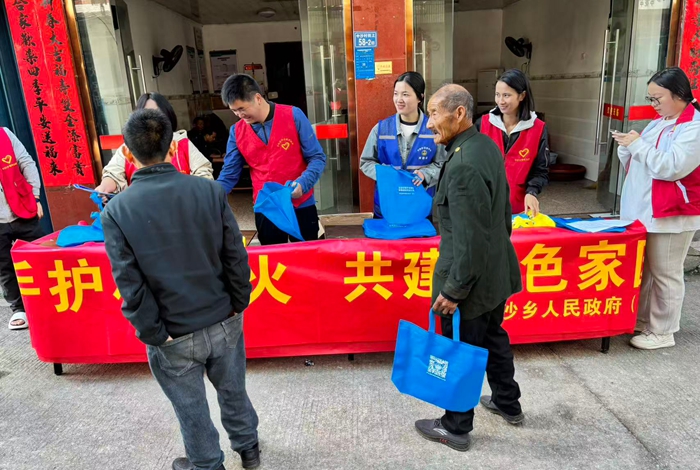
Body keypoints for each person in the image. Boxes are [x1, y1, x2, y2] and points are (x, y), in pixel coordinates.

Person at [102, 109, 260, 470]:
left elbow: (130, 284)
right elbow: (235, 254)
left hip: (173, 332)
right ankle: (248, 448)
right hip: (223, 317)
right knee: (234, 389)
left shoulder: (118, 211)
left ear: (127, 153)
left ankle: (207, 463)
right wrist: (238, 303)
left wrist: (155, 333)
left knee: (190, 408)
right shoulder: (208, 191)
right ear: (174, 147)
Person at [413, 84, 524, 451]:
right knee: (493, 338)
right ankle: (508, 402)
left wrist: (454, 290)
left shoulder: (463, 164)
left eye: (434, 113)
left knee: (460, 350)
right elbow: (501, 216)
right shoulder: (484, 145)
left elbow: (469, 238)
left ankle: (456, 426)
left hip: (470, 280)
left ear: (458, 113)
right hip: (494, 271)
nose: (430, 123)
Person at [614, 66, 700, 350]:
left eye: (657, 98)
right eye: (650, 98)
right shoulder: (659, 122)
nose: (653, 104)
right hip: (646, 212)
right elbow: (641, 160)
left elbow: (671, 167)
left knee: (666, 272)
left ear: (679, 95)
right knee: (646, 271)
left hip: (672, 214)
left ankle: (663, 331)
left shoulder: (694, 127)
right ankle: (643, 321)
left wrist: (637, 145)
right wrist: (627, 146)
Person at [217, 74, 326, 245]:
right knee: (272, 256)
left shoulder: (293, 115)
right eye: (234, 111)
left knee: (308, 255)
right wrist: (212, 196)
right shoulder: (236, 131)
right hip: (266, 206)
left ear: (257, 98)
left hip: (300, 202)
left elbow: (317, 157)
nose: (240, 115)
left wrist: (303, 183)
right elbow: (229, 173)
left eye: (242, 108)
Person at [360, 72, 446, 217]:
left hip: (419, 207)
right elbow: (365, 162)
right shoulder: (381, 129)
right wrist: (385, 174)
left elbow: (443, 164)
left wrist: (426, 174)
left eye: (405, 94)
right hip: (387, 206)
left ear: (420, 97)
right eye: (396, 94)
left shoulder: (434, 129)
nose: (399, 99)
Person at [95, 92, 213, 195]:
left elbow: (203, 172)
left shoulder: (181, 142)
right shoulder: (129, 147)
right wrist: (105, 187)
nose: (153, 119)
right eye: (147, 113)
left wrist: (193, 194)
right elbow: (113, 173)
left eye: (157, 113)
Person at [478, 69, 549, 216]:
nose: (500, 101)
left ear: (522, 96)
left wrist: (532, 192)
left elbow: (541, 171)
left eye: (506, 95)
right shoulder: (483, 124)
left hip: (518, 210)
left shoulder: (538, 128)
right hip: (483, 206)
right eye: (497, 95)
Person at [0, 128, 45, 330]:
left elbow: (27, 163)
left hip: (22, 208)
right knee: (4, 266)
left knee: (40, 255)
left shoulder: (4, 134)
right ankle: (18, 309)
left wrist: (35, 197)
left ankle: (51, 298)